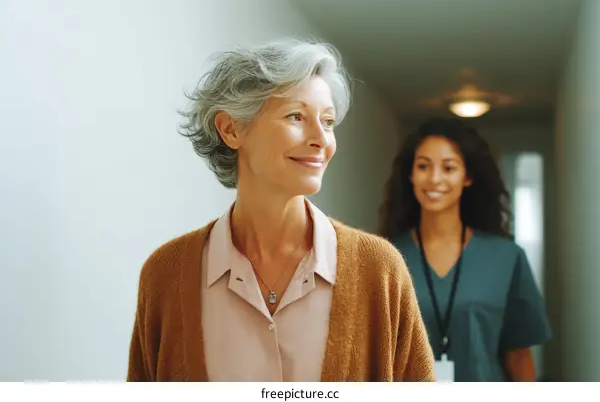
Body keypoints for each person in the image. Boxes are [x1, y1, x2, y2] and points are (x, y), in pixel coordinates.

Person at [126, 38, 435, 382]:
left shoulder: (379, 269)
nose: (322, 139)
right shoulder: (165, 275)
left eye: (328, 121)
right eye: (296, 116)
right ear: (231, 129)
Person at [379, 117, 552, 382]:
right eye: (424, 166)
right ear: (411, 174)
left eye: (449, 168)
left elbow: (519, 356)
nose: (435, 178)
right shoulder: (384, 259)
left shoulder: (506, 258)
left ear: (467, 177)